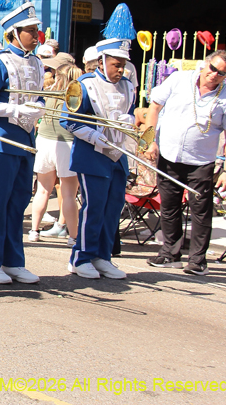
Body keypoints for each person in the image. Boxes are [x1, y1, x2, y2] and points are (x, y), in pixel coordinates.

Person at [145, 50, 226, 275]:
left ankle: (197, 260)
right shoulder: (179, 79)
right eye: (213, 69)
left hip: (201, 162)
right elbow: (155, 106)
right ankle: (170, 253)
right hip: (169, 155)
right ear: (205, 65)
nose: (214, 75)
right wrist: (150, 141)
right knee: (168, 207)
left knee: (201, 211)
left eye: (221, 73)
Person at [0, 0, 44, 285]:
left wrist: (38, 107)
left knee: (18, 202)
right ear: (13, 32)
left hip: (25, 140)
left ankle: (13, 260)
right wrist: (15, 110)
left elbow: (40, 96)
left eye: (36, 30)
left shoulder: (38, 62)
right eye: (29, 30)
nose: (35, 35)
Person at [60, 39, 135, 279]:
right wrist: (92, 136)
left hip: (118, 155)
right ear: (102, 62)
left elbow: (130, 113)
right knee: (94, 207)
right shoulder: (85, 85)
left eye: (123, 64)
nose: (120, 70)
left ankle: (103, 256)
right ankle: (81, 256)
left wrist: (130, 122)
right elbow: (67, 119)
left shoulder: (128, 86)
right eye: (116, 64)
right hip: (92, 155)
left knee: (113, 208)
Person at [31, 63, 82, 246]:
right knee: (69, 193)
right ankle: (73, 236)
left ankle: (34, 230)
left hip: (45, 140)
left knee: (42, 189)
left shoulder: (48, 93)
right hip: (66, 143)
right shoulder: (76, 96)